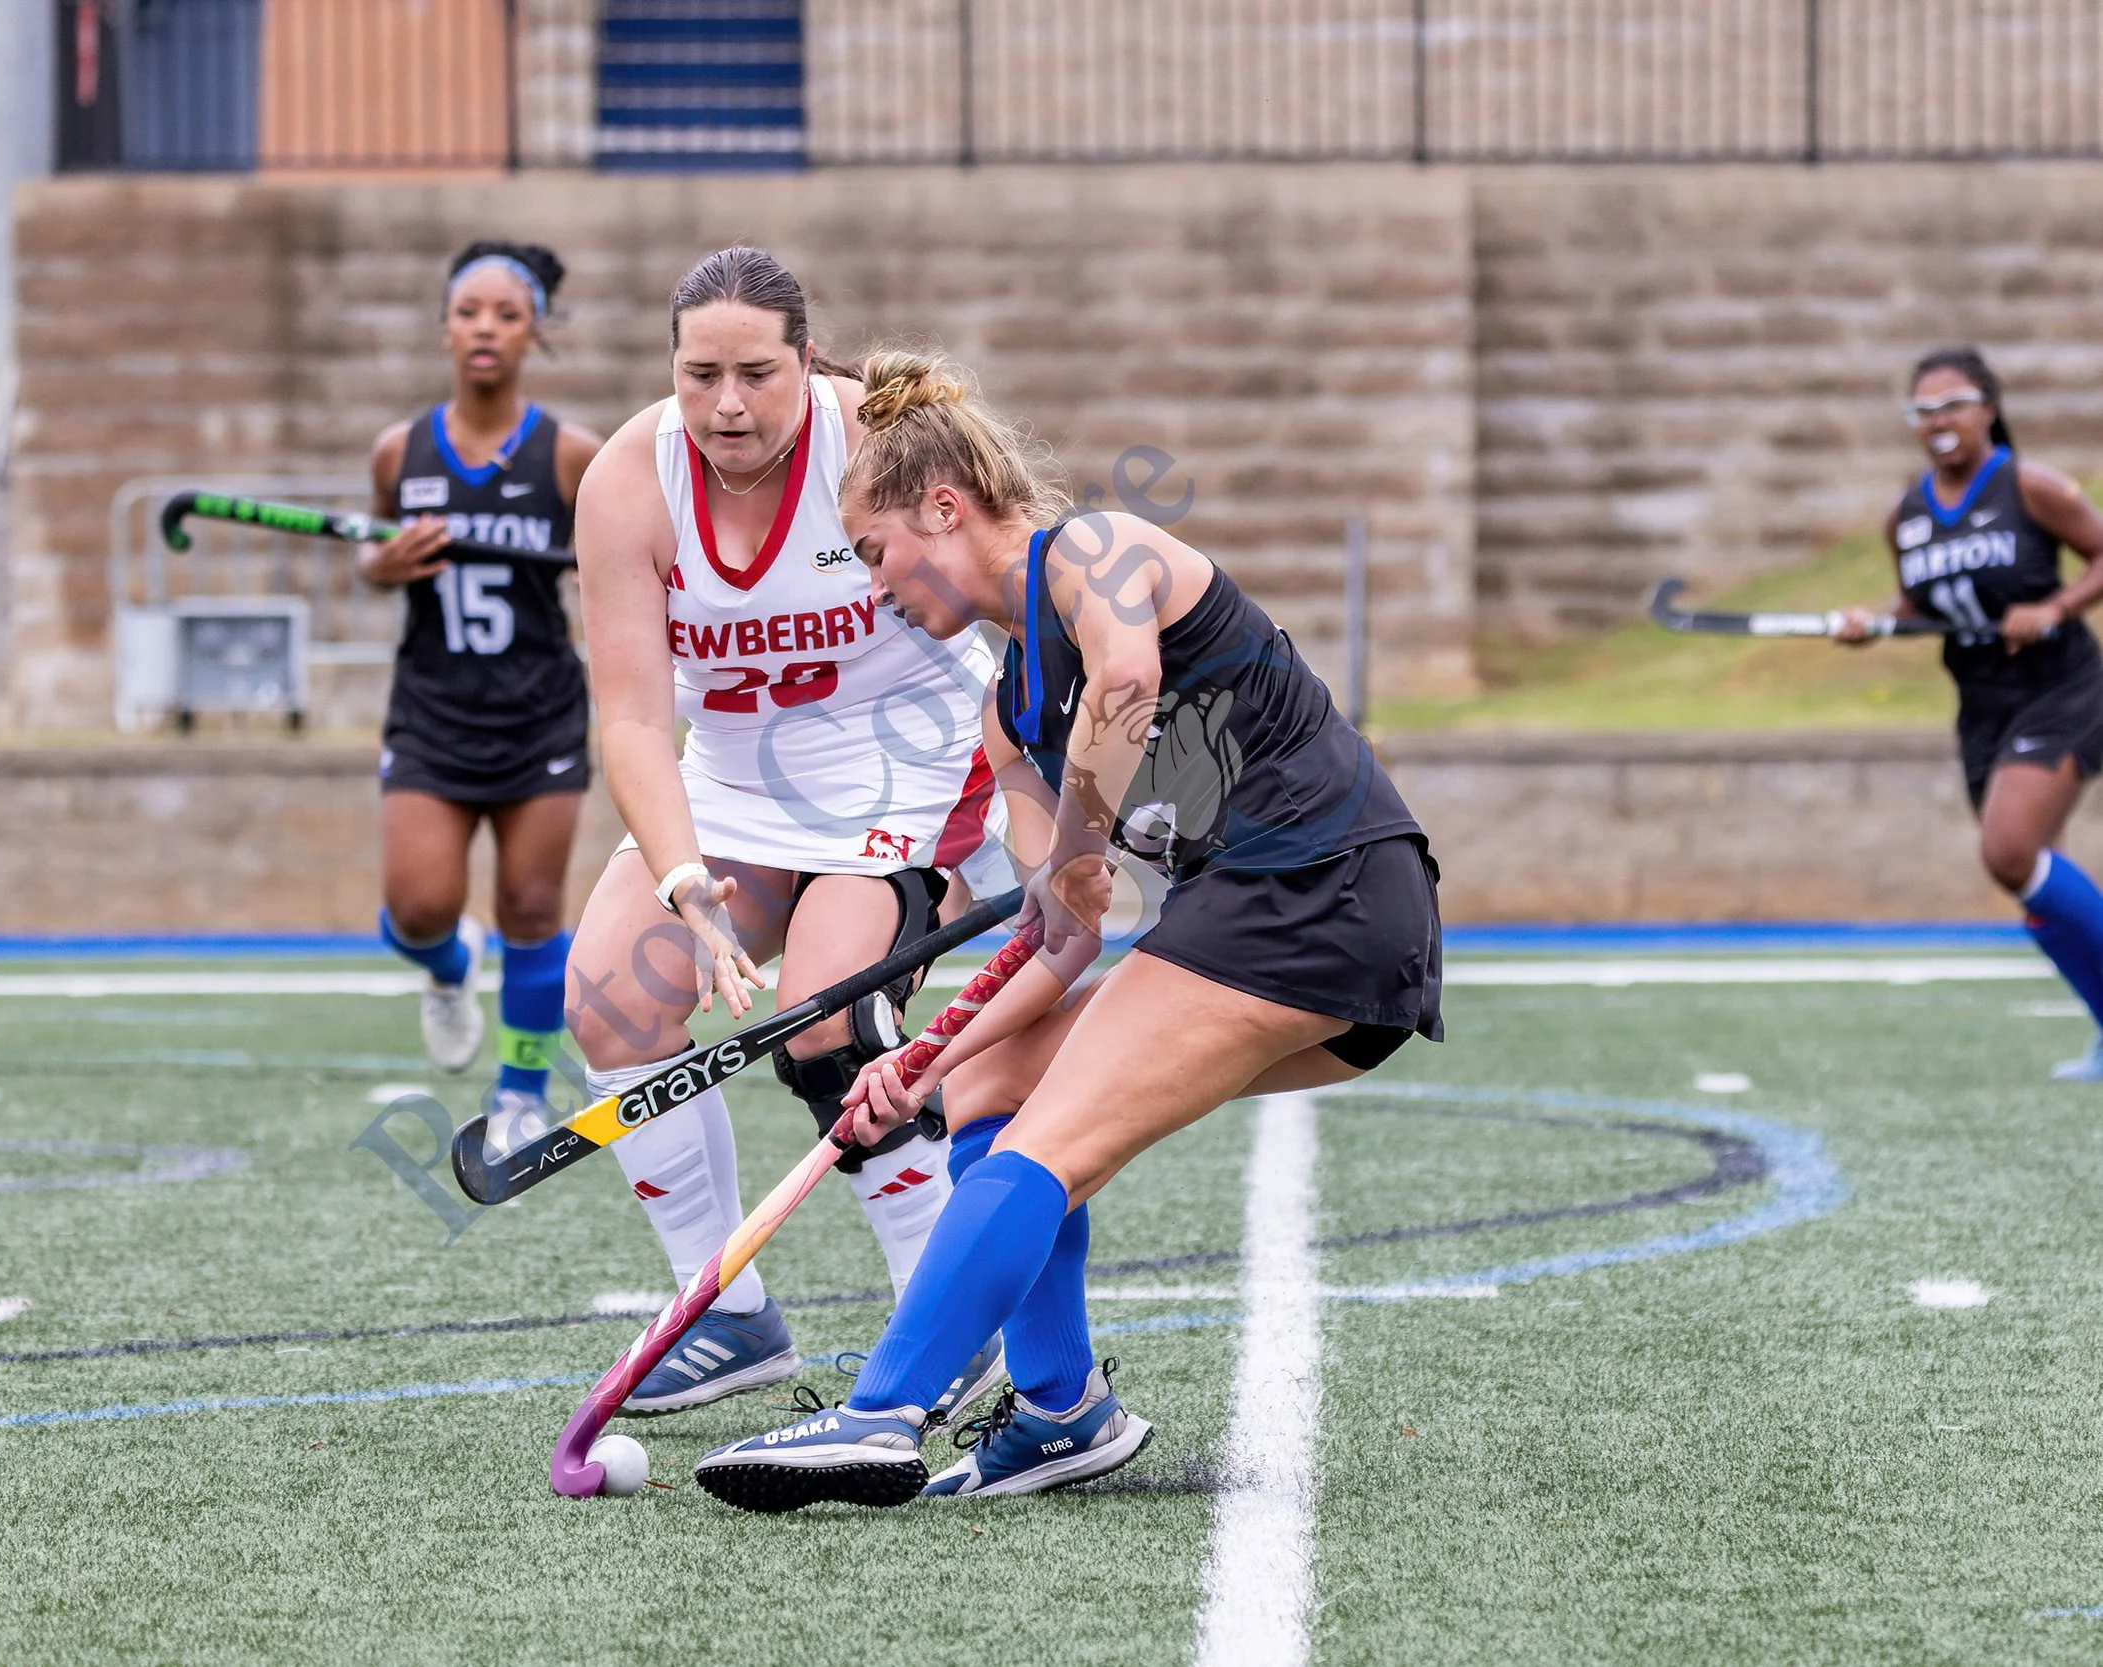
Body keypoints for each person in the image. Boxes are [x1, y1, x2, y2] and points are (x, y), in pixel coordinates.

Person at [693, 349, 1443, 1512]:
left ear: (943, 508)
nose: (872, 585)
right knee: (989, 1079)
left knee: (1057, 1141)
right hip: (1265, 920)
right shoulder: (1007, 711)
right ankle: (1059, 1407)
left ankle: (885, 1406)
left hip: (1318, 891)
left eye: (874, 551)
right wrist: (924, 1051)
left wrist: (1079, 838)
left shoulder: (1095, 551)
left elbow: (1128, 678)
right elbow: (1061, 933)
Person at [563, 249, 1012, 1419]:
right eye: (699, 373)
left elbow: (1020, 580)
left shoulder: (885, 442)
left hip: (909, 762)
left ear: (803, 361)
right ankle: (724, 1314)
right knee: (611, 994)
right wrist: (683, 887)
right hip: (741, 784)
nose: (726, 405)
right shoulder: (627, 480)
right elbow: (630, 716)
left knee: (823, 1023)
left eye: (756, 374)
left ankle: (944, 1321)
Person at [360, 241, 602, 1140]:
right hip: (432, 709)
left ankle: (521, 1096)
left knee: (533, 909)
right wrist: (378, 565)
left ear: (534, 329)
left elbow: (622, 562)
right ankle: (447, 964)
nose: (486, 329)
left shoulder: (572, 456)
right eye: (469, 312)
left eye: (506, 313)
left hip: (539, 709)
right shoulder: (400, 453)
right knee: (419, 905)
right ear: (445, 325)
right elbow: (372, 559)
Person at [1830, 348, 2103, 1080]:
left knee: (2009, 849)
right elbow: (1919, 609)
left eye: (1952, 405)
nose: (1939, 422)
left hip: (2061, 688)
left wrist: (2054, 606)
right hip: (1982, 705)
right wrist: (1873, 624)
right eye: (1923, 411)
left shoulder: (2029, 486)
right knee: (2032, 875)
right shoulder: (1906, 515)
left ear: (1988, 407)